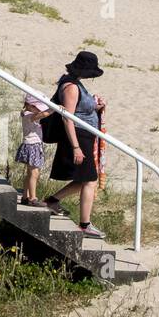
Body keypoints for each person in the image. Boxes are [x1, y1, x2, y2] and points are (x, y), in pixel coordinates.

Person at [44, 50, 106, 238]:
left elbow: (79, 110)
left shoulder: (75, 84)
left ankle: (52, 201)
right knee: (90, 180)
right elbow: (67, 118)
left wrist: (97, 107)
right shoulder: (71, 87)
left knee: (84, 179)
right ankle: (85, 224)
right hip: (79, 137)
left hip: (85, 136)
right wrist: (76, 147)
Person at [15, 94, 50, 206]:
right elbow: (45, 114)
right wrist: (55, 108)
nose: (38, 110)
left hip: (33, 145)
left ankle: (25, 196)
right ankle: (32, 198)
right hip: (32, 146)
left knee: (30, 173)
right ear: (29, 106)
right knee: (34, 173)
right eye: (36, 107)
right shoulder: (28, 115)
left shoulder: (28, 113)